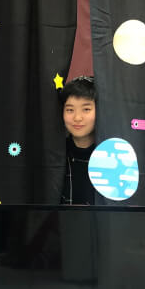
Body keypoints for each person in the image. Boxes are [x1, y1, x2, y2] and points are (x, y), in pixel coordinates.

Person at [60, 76, 96, 205]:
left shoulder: (112, 153)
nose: (77, 117)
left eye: (86, 109)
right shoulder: (55, 153)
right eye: (70, 110)